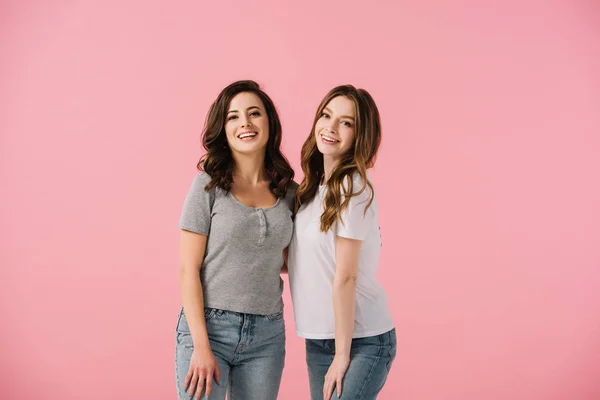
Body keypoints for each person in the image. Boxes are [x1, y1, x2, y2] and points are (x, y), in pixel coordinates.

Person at [175, 80, 296, 400]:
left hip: (267, 335)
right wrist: (200, 346)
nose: (245, 122)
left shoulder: (289, 192)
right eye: (233, 116)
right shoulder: (207, 186)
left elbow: (284, 258)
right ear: (223, 128)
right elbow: (188, 270)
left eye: (254, 113)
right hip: (210, 328)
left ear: (269, 122)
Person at [288, 85, 396, 400]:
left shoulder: (354, 185)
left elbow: (346, 275)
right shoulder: (311, 190)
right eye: (326, 115)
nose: (331, 128)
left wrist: (341, 355)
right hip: (319, 339)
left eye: (346, 123)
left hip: (361, 339)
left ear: (360, 136)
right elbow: (301, 262)